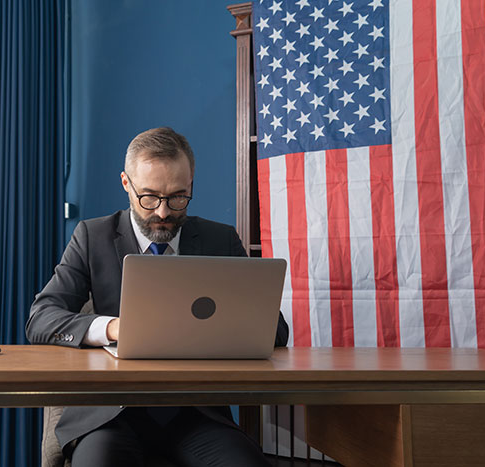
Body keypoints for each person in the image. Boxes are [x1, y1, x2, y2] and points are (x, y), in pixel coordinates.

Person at [26, 127, 289, 467]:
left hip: (196, 416)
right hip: (109, 417)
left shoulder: (219, 240)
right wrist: (113, 328)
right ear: (126, 184)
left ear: (191, 185)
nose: (163, 212)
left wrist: (223, 331)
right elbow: (41, 318)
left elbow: (277, 331)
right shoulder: (92, 236)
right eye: (149, 197)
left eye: (177, 197)